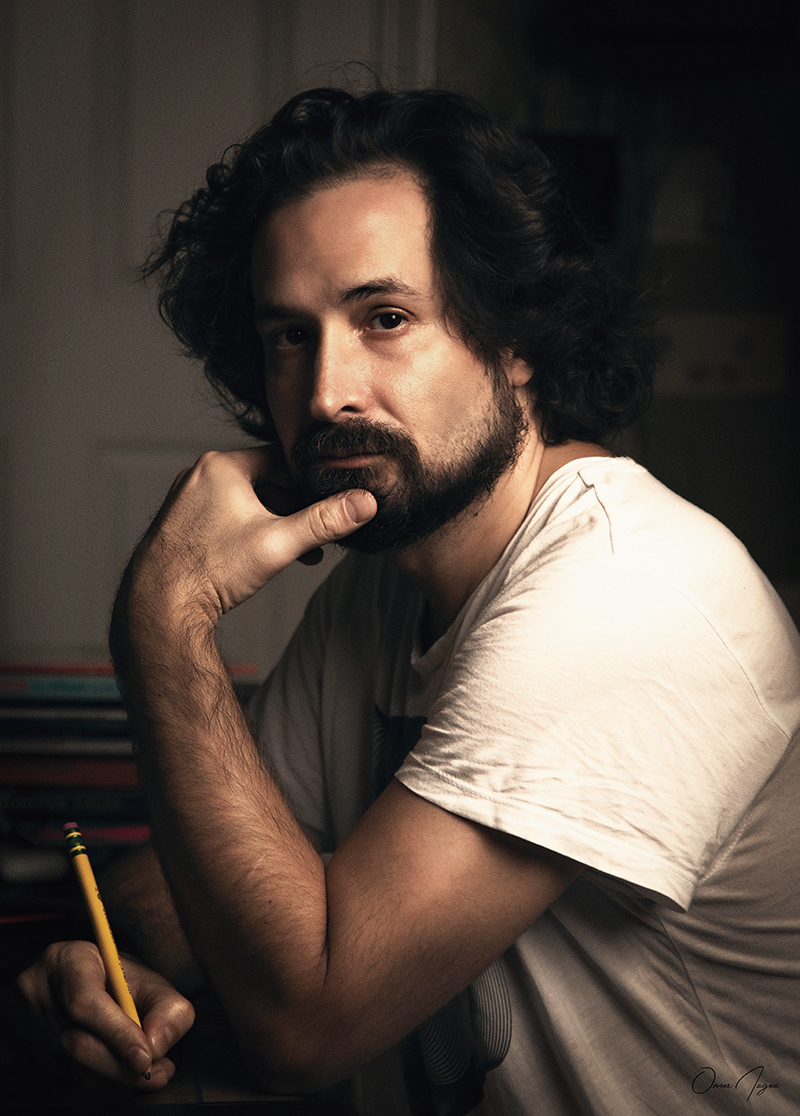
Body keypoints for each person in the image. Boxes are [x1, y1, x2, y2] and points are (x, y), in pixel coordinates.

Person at [18, 87, 800, 1115]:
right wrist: (93, 961)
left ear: (516, 340)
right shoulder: (378, 594)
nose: (325, 392)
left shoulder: (625, 596)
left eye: (384, 319)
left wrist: (163, 623)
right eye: (288, 336)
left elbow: (304, 1026)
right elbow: (189, 887)